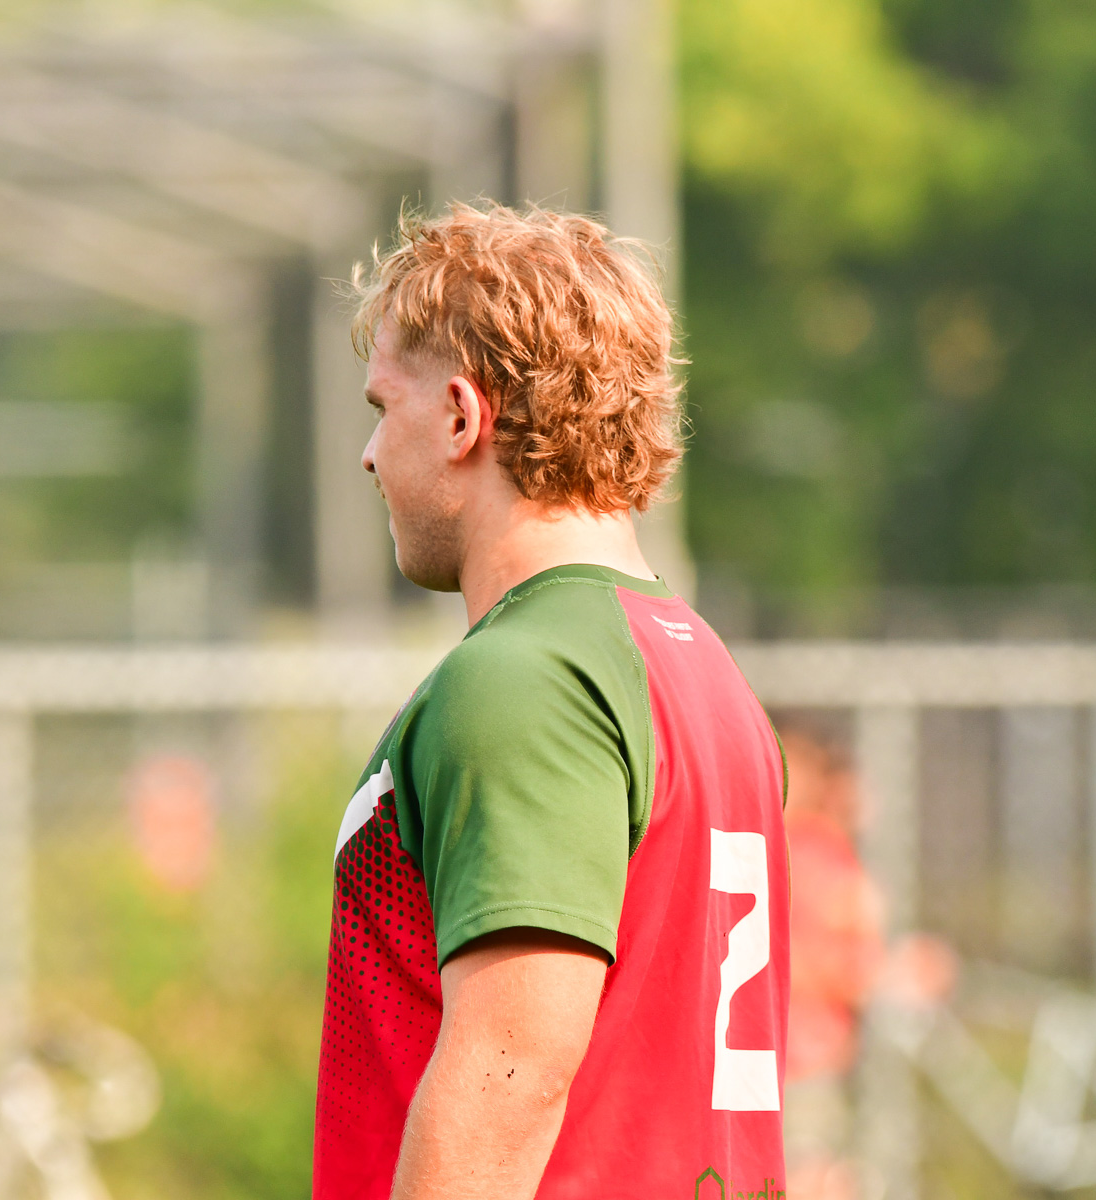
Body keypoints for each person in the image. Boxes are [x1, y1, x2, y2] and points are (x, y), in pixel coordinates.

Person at [313, 203, 790, 1200]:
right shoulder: (704, 674)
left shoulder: (521, 678)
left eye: (382, 408)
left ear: (460, 416)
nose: (369, 454)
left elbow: (512, 1076)